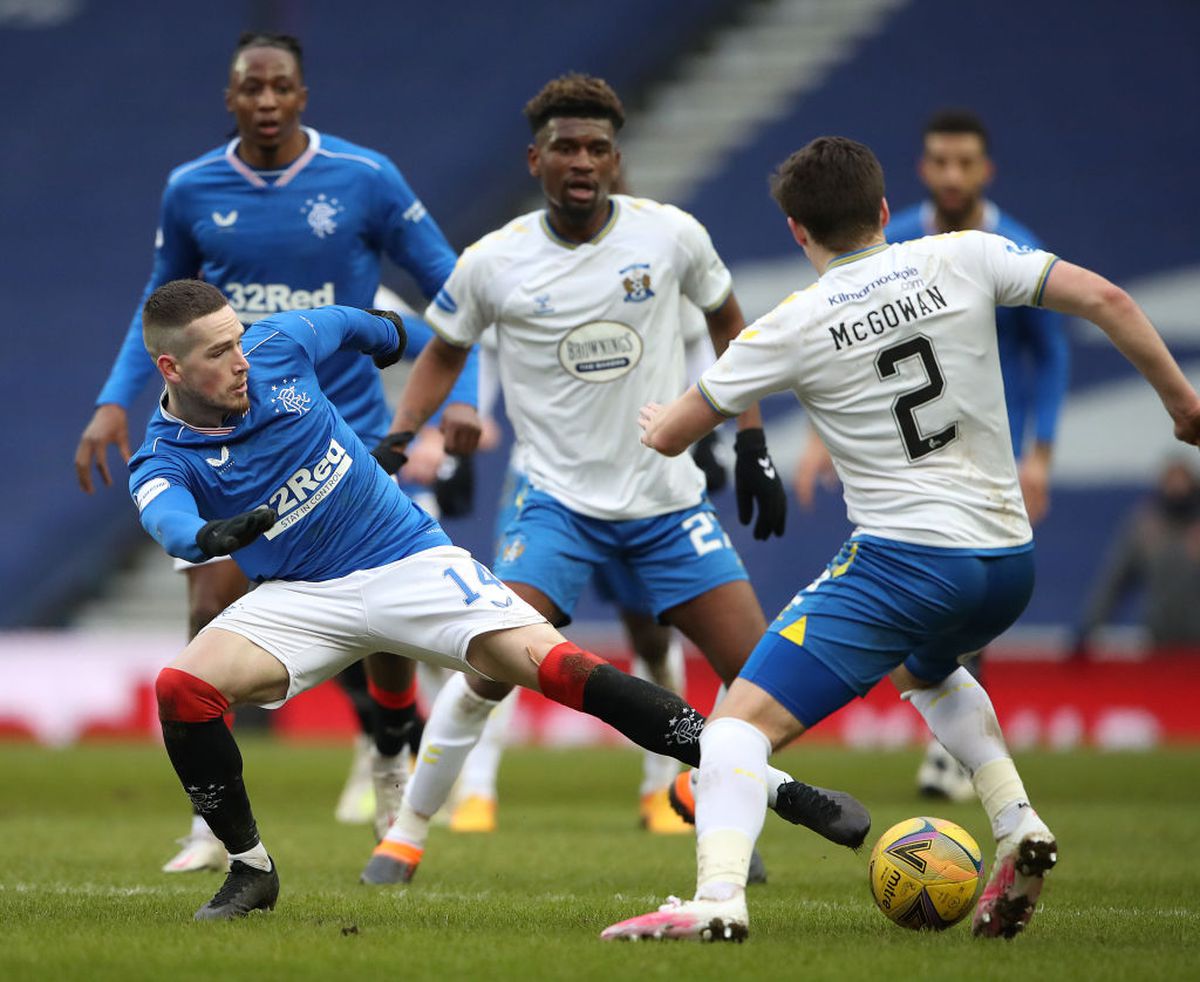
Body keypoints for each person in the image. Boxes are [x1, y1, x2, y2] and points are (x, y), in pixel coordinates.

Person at [601, 136, 1200, 942]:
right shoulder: (968, 254)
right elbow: (1109, 301)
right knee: (927, 667)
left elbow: (672, 434)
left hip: (905, 563)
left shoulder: (792, 322)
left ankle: (715, 901)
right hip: (1005, 564)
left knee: (737, 727)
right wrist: (1182, 406)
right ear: (885, 211)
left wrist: (654, 419)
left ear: (795, 231)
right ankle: (1017, 822)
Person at [128, 279, 868, 920]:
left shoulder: (283, 342)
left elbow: (401, 333)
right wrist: (210, 534)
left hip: (406, 560)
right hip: (298, 595)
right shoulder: (163, 455)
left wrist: (413, 381)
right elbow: (167, 518)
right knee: (183, 689)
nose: (241, 360)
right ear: (171, 368)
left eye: (238, 340)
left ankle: (779, 790)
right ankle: (251, 867)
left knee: (564, 669)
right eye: (218, 352)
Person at [362, 73, 793, 884]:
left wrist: (753, 440)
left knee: (766, 681)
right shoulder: (494, 262)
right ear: (536, 159)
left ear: (616, 158)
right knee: (489, 665)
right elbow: (447, 351)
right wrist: (400, 436)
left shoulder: (670, 236)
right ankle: (408, 832)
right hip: (555, 503)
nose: (583, 161)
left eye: (598, 147)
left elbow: (733, 323)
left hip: (666, 503)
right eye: (566, 146)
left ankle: (712, 807)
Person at [71, 32, 475, 869]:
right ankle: (214, 825)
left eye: (279, 86)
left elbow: (453, 288)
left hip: (342, 431)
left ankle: (392, 752)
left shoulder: (364, 178)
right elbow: (161, 306)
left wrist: (458, 402)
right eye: (248, 87)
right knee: (207, 608)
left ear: (301, 95)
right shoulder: (192, 188)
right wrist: (116, 402)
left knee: (389, 628)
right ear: (230, 98)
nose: (263, 100)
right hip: (230, 445)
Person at [793, 109, 1070, 802]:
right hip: (900, 454)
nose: (951, 174)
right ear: (921, 170)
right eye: (939, 162)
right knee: (939, 589)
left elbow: (1051, 351)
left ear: (985, 170)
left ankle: (957, 753)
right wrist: (819, 437)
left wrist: (1040, 453)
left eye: (964, 163)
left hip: (982, 452)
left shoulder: (1009, 244)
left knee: (962, 589)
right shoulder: (897, 238)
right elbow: (848, 345)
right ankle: (965, 752)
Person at [1074, 457, 1200, 653]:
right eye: (1172, 484)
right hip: (1159, 642)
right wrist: (1087, 630)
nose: (1177, 491)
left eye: (1182, 484)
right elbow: (1113, 583)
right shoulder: (1146, 529)